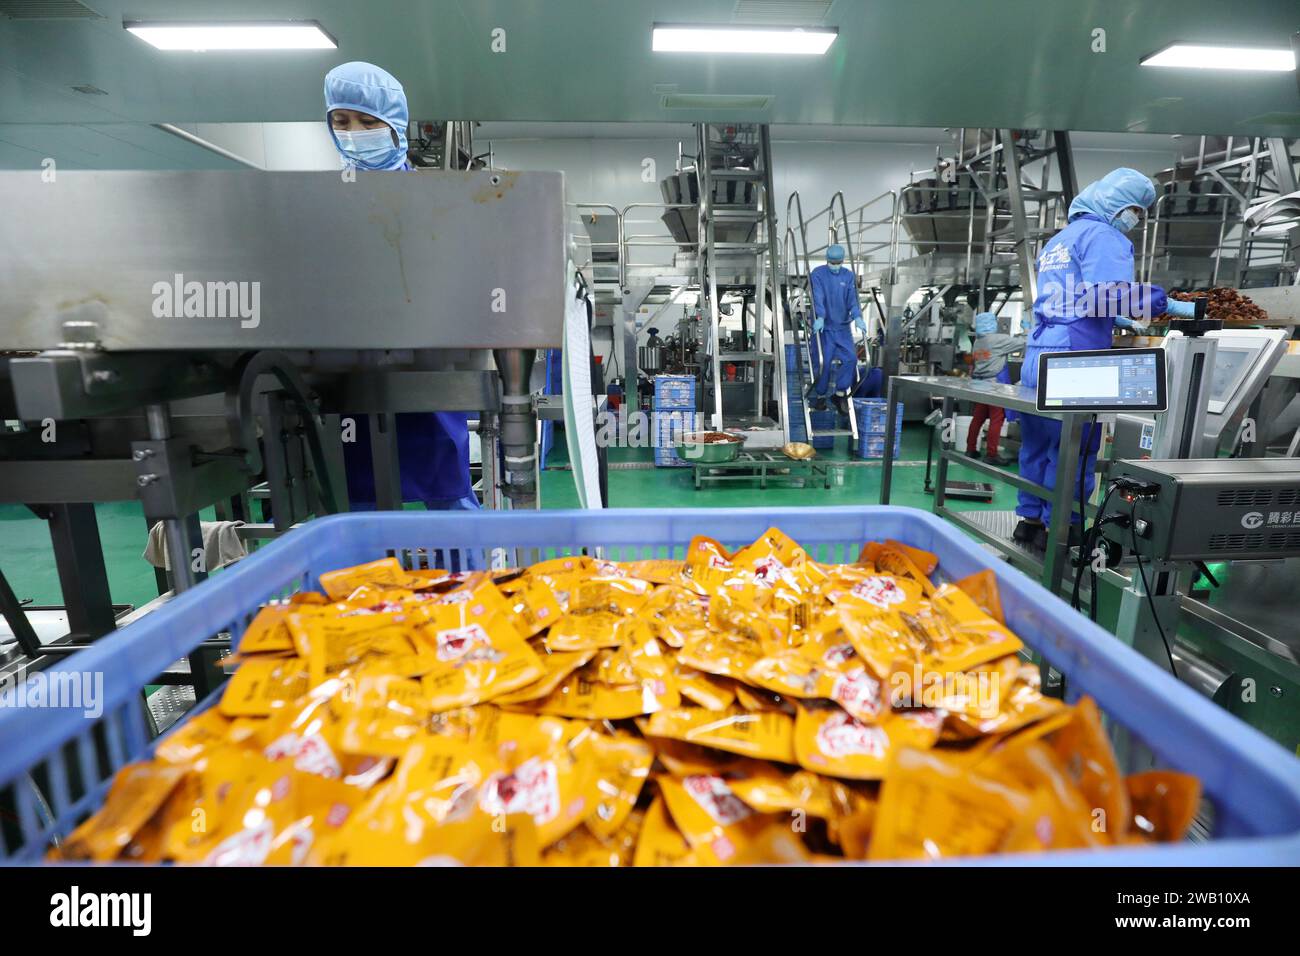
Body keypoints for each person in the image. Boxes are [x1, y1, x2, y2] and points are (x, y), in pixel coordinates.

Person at [324, 61, 479, 512]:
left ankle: (467, 581)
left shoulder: (434, 202)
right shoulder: (321, 202)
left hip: (426, 368)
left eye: (369, 121)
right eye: (342, 121)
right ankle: (366, 584)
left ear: (395, 126)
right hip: (345, 373)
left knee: (446, 491)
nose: (354, 131)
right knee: (357, 501)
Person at [1014, 167, 1196, 550]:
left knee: (1036, 445)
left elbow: (1071, 297)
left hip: (1037, 352)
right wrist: (1170, 305)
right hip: (1074, 357)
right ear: (1114, 202)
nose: (1137, 219)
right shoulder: (1105, 235)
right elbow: (1108, 292)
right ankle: (1064, 528)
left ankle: (1028, 521)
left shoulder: (1059, 241)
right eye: (1136, 209)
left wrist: (1115, 317)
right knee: (1075, 449)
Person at [808, 244, 867, 414]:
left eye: (838, 263)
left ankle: (839, 394)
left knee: (851, 359)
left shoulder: (848, 276)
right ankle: (820, 397)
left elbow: (852, 300)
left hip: (842, 329)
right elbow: (818, 296)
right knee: (823, 364)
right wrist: (820, 316)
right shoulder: (818, 274)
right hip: (824, 328)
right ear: (827, 261)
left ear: (842, 261)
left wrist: (857, 317)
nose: (835, 266)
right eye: (832, 263)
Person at [965, 312, 1024, 466]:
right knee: (997, 419)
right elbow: (1023, 343)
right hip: (994, 386)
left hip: (980, 385)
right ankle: (992, 454)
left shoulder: (978, 342)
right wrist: (1028, 332)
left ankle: (970, 449)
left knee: (978, 418)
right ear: (992, 323)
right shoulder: (998, 340)